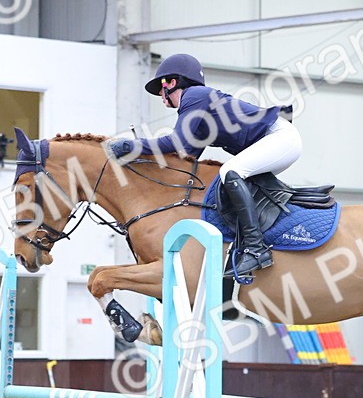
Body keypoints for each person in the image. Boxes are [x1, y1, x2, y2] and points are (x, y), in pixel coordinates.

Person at [107, 54, 302, 280]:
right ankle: (246, 244)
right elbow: (183, 162)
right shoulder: (198, 112)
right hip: (274, 142)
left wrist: (132, 146)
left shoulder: (194, 95)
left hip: (280, 137)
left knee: (230, 172)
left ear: (172, 83)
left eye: (161, 88)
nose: (160, 95)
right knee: (226, 183)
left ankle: (256, 249)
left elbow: (175, 142)